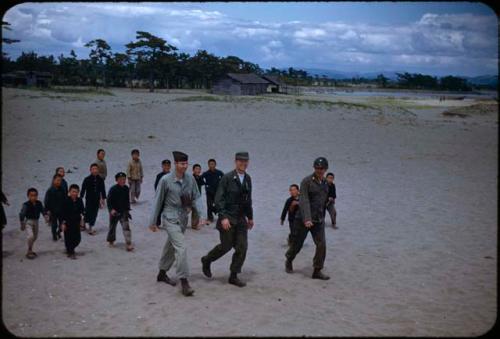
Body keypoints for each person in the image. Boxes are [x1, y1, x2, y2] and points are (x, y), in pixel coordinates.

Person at [149, 151, 205, 297]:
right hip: (169, 217)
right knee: (181, 247)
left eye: (186, 163)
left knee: (171, 246)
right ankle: (184, 281)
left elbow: (196, 197)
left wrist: (202, 215)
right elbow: (157, 201)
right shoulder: (165, 180)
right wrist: (153, 221)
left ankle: (161, 273)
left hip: (183, 218)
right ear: (175, 164)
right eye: (181, 164)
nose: (184, 166)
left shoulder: (190, 179)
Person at [201, 152, 254, 288]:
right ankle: (207, 260)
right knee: (226, 246)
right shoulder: (227, 178)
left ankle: (233, 275)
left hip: (241, 218)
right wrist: (223, 217)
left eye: (245, 161)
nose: (243, 163)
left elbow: (248, 200)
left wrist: (251, 217)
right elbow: (219, 199)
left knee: (242, 247)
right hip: (228, 217)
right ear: (235, 162)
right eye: (240, 161)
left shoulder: (248, 179)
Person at [285, 157, 330, 280]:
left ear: (326, 169)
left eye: (322, 168)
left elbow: (323, 201)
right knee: (297, 244)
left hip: (318, 220)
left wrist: (323, 216)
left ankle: (317, 270)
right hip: (303, 219)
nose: (319, 170)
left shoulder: (326, 183)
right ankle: (289, 258)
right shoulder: (306, 181)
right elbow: (304, 201)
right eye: (317, 168)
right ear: (314, 168)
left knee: (322, 245)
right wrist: (307, 219)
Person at [107, 172, 133, 251]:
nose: (122, 181)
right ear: (116, 180)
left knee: (126, 227)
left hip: (123, 211)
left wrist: (128, 209)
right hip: (114, 212)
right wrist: (111, 210)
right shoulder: (113, 189)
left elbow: (127, 200)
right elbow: (109, 201)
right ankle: (111, 240)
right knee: (112, 227)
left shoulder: (126, 188)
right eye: (120, 179)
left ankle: (128, 243)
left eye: (124, 179)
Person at [19, 188, 46, 259]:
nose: (33, 197)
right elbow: (22, 214)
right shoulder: (26, 205)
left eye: (35, 195)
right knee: (30, 236)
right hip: (28, 221)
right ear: (28, 196)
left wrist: (46, 216)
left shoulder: (39, 203)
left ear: (37, 196)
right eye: (31, 195)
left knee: (35, 236)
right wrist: (22, 223)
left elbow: (43, 211)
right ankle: (30, 250)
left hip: (36, 221)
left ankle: (30, 247)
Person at [81, 163, 106, 235]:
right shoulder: (87, 179)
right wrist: (81, 197)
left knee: (94, 213)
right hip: (88, 199)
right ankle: (83, 222)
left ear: (98, 170)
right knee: (87, 212)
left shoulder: (100, 179)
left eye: (96, 169)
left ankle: (90, 227)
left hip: (97, 199)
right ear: (90, 170)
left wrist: (103, 199)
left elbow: (102, 189)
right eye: (93, 169)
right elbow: (83, 189)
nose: (95, 170)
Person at [61, 184, 85, 259]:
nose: (74, 193)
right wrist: (63, 223)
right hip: (67, 222)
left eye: (76, 192)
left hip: (76, 222)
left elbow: (82, 211)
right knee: (68, 238)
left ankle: (70, 249)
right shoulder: (65, 200)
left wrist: (82, 221)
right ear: (69, 192)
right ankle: (70, 252)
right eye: (73, 191)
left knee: (78, 239)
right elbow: (62, 213)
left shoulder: (79, 200)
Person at [201, 159, 224, 224]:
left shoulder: (219, 172)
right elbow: (200, 179)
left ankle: (219, 215)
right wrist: (205, 184)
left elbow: (224, 180)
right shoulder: (206, 173)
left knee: (218, 205)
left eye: (213, 164)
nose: (212, 165)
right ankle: (210, 217)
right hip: (209, 192)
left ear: (215, 164)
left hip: (217, 192)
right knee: (209, 205)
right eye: (210, 164)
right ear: (208, 165)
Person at [44, 174, 66, 241]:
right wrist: (47, 210)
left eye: (60, 181)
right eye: (57, 180)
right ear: (53, 180)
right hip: (53, 211)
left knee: (61, 224)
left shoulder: (62, 189)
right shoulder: (50, 190)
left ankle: (58, 232)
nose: (59, 182)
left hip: (61, 210)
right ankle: (54, 235)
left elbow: (65, 199)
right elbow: (46, 201)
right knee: (54, 224)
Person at [191, 164, 204, 230]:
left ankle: (194, 225)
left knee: (196, 210)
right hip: (191, 196)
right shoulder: (191, 177)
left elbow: (203, 183)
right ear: (193, 170)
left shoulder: (200, 177)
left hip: (198, 196)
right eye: (196, 169)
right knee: (186, 210)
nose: (198, 170)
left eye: (199, 169)